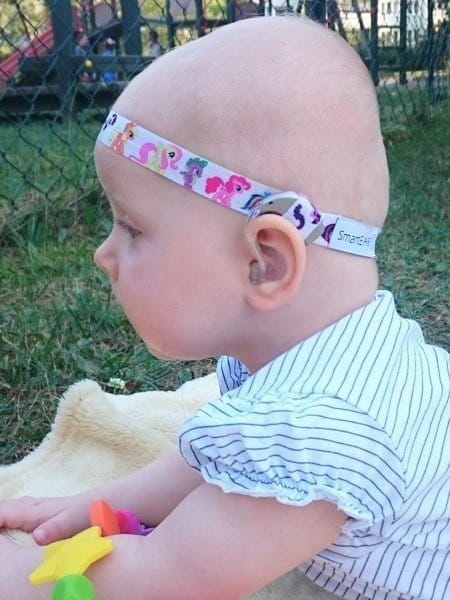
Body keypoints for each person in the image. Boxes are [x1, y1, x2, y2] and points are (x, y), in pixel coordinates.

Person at [0, 16, 448, 600]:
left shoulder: (314, 436)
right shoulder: (324, 351)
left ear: (264, 262)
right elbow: (207, 460)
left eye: (132, 227)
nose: (103, 255)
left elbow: (160, 577)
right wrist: (89, 504)